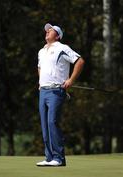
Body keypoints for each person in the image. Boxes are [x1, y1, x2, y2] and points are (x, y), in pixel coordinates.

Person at [36, 23, 85, 166]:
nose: (47, 32)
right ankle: (49, 157)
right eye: (46, 31)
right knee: (45, 125)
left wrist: (71, 80)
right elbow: (40, 67)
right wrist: (40, 82)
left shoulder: (62, 48)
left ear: (57, 35)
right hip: (43, 91)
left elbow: (80, 61)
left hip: (56, 91)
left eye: (50, 31)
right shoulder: (41, 51)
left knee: (52, 122)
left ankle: (59, 158)